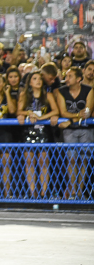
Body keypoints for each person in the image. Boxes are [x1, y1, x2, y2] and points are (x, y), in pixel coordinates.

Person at [17, 71, 59, 199]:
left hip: (43, 131)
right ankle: (32, 191)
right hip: (28, 131)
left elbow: (56, 110)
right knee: (29, 162)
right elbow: (18, 111)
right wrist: (29, 113)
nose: (38, 81)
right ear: (30, 82)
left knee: (44, 162)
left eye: (40, 79)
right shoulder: (24, 95)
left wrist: (41, 117)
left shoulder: (48, 95)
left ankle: (44, 191)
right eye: (35, 79)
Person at [56, 67, 93, 199]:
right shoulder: (61, 91)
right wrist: (78, 115)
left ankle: (80, 191)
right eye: (66, 76)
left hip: (86, 129)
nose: (66, 79)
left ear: (78, 79)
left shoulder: (89, 90)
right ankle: (72, 191)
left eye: (70, 76)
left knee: (84, 160)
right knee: (71, 160)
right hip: (70, 131)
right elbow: (63, 112)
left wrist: (71, 120)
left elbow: (88, 112)